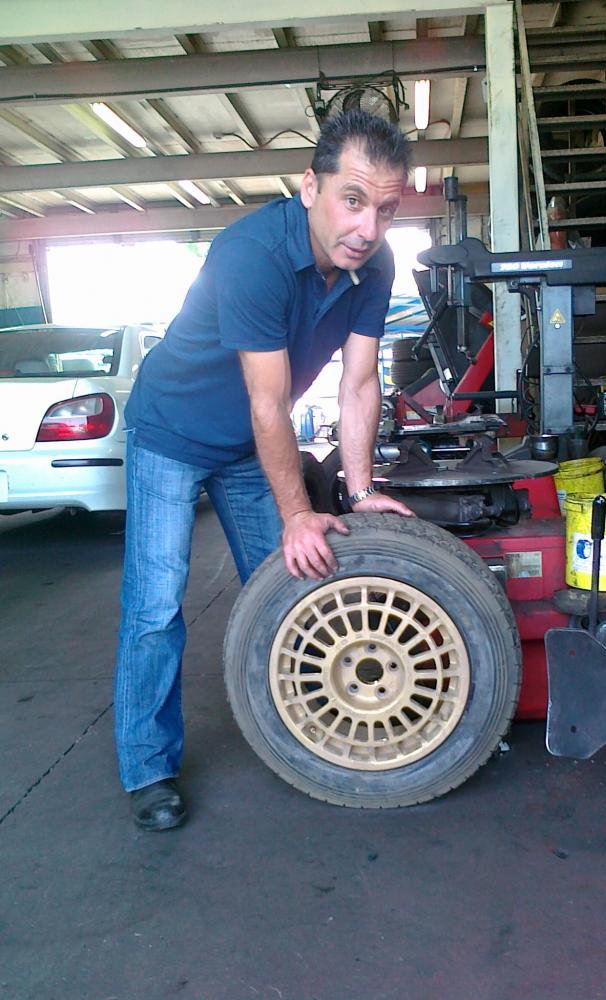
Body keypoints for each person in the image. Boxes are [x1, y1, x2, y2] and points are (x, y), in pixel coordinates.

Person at [115, 110, 415, 831]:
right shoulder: (251, 254)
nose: (367, 227)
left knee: (290, 583)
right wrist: (298, 512)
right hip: (173, 431)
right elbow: (268, 402)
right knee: (156, 605)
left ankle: (320, 728)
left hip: (248, 442)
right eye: (352, 200)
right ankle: (148, 767)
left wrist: (361, 490)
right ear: (310, 187)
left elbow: (359, 384)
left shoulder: (374, 265)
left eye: (385, 209)